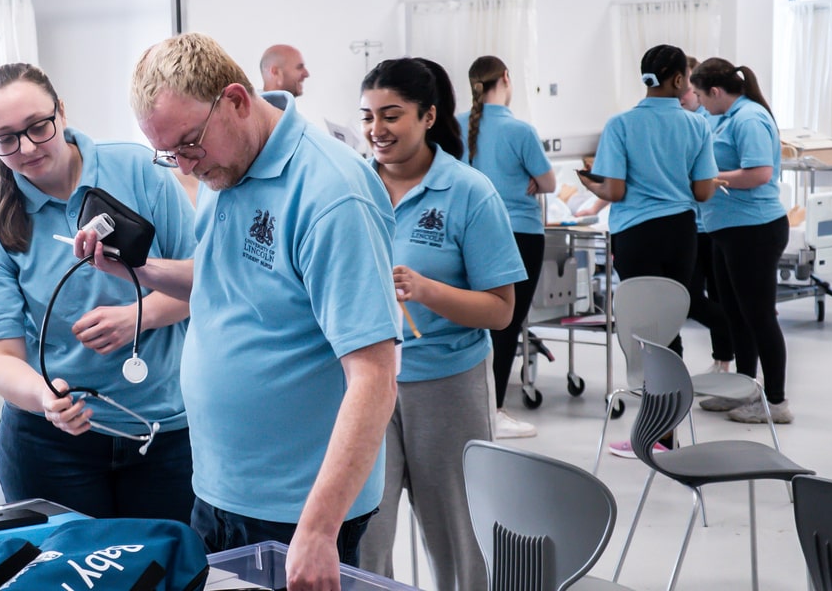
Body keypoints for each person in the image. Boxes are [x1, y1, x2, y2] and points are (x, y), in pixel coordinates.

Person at [79, 32, 401, 590]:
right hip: (218, 491)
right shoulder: (223, 167)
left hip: (299, 509)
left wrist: (319, 529)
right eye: (170, 154)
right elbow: (224, 276)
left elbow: (374, 376)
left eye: (189, 144)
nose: (185, 165)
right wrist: (140, 270)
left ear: (234, 100)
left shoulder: (332, 193)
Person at [0, 63, 198, 522]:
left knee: (165, 560)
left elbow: (202, 281)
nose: (27, 148)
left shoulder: (137, 170)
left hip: (164, 433)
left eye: (38, 127)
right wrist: (45, 397)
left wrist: (139, 315)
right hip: (49, 445)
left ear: (61, 112)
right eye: (6, 139)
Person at [355, 57, 526, 591]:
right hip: (366, 383)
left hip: (446, 384)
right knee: (362, 536)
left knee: (458, 536)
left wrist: (425, 289)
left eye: (391, 116)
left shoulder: (469, 192)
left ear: (428, 116)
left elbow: (500, 309)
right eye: (367, 117)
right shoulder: (352, 188)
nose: (376, 130)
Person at [578, 44, 718, 459]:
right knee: (671, 326)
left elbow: (615, 190)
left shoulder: (621, 125)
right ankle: (666, 435)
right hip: (680, 233)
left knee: (643, 330)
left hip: (636, 235)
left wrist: (591, 184)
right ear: (677, 79)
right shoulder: (696, 125)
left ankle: (652, 432)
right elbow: (704, 192)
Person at [455, 55, 558, 439]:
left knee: (470, 321)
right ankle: (492, 409)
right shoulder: (520, 131)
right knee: (505, 324)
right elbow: (548, 183)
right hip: (520, 233)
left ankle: (471, 406)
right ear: (506, 79)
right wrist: (531, 179)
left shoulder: (456, 125)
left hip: (469, 234)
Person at [690, 58, 792, 424]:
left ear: (716, 91)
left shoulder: (749, 118)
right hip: (727, 230)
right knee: (735, 315)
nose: (698, 102)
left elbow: (760, 173)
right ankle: (743, 388)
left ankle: (776, 402)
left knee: (759, 317)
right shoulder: (721, 117)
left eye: (700, 95)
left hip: (755, 230)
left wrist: (711, 178)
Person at [680, 55, 736, 374]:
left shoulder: (708, 120)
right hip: (690, 223)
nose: (685, 95)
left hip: (712, 224)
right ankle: (731, 336)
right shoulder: (682, 119)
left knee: (717, 292)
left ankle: (723, 360)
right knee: (689, 296)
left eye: (691, 90)